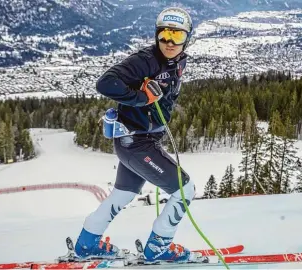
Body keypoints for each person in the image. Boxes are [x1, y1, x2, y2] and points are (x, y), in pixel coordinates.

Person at [74, 7, 196, 263]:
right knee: (184, 190)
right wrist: (140, 98)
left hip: (139, 141)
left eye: (177, 36)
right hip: (136, 143)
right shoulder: (146, 60)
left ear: (188, 38)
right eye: (164, 35)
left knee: (123, 194)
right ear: (156, 35)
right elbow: (105, 83)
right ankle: (158, 247)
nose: (169, 42)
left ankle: (87, 244)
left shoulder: (178, 61)